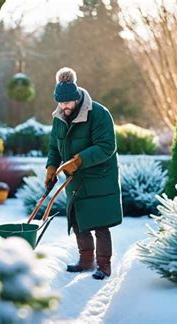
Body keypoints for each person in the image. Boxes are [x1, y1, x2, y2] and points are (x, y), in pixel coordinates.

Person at [45, 67, 123, 280]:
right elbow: (54, 146)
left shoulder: (98, 113)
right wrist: (51, 168)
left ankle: (104, 265)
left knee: (99, 223)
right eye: (60, 102)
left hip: (99, 178)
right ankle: (86, 261)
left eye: (67, 102)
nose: (64, 106)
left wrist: (78, 161)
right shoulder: (59, 116)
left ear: (77, 97)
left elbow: (107, 146)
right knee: (79, 221)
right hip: (76, 180)